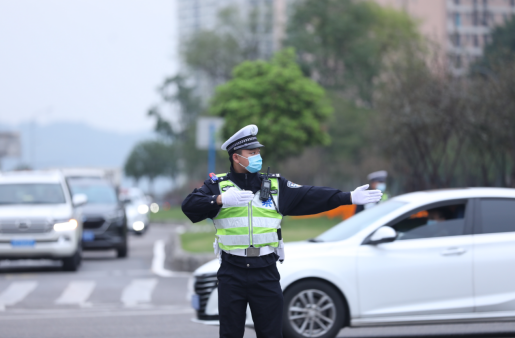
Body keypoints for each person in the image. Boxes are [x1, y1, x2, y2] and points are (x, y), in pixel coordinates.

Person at [181, 124, 382, 338]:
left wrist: (348, 197)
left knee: (271, 334)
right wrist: (220, 200)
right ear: (236, 158)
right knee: (230, 334)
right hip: (232, 272)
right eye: (252, 153)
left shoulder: (276, 186)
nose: (257, 157)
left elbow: (310, 195)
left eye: (258, 152)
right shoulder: (217, 186)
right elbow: (189, 205)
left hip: (265, 271)